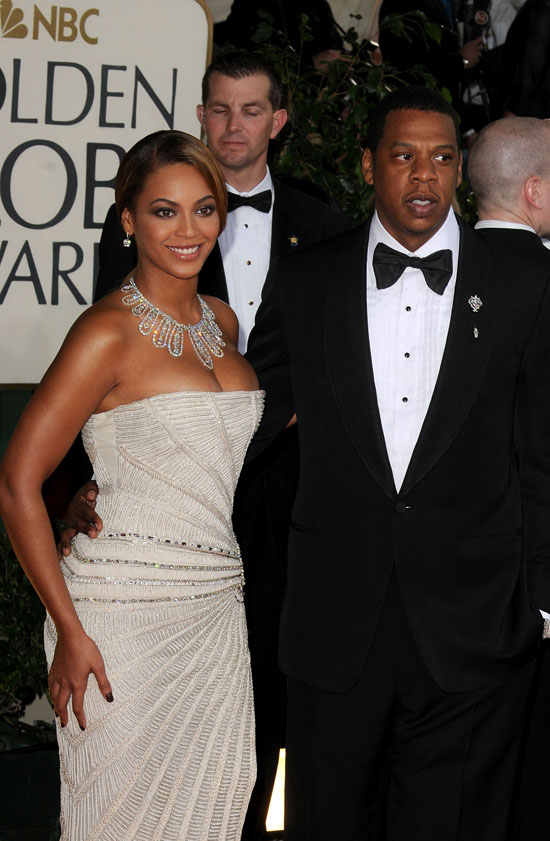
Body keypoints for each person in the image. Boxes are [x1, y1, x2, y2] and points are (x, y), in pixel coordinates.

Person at [245, 85, 550, 841]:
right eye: (404, 156)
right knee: (327, 823)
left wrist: (540, 604)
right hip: (333, 619)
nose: (424, 176)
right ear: (368, 165)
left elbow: (542, 452)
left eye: (442, 157)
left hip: (474, 625)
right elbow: (245, 421)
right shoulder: (308, 278)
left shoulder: (527, 285)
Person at [63, 50, 349, 841]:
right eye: (218, 109)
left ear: (278, 122)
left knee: (237, 764)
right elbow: (96, 395)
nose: (233, 125)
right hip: (141, 552)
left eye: (251, 110)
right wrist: (84, 491)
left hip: (271, 519)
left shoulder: (319, 232)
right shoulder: (121, 288)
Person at [0, 130, 263, 841]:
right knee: (118, 817)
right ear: (128, 220)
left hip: (214, 615)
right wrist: (70, 631)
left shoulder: (225, 323)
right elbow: (18, 481)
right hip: (118, 618)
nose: (188, 230)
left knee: (217, 799)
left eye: (204, 209)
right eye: (163, 211)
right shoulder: (105, 333)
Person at [468, 115, 550, 840]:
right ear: (534, 190)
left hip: (437, 583)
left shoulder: (431, 272)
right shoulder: (547, 283)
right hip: (527, 586)